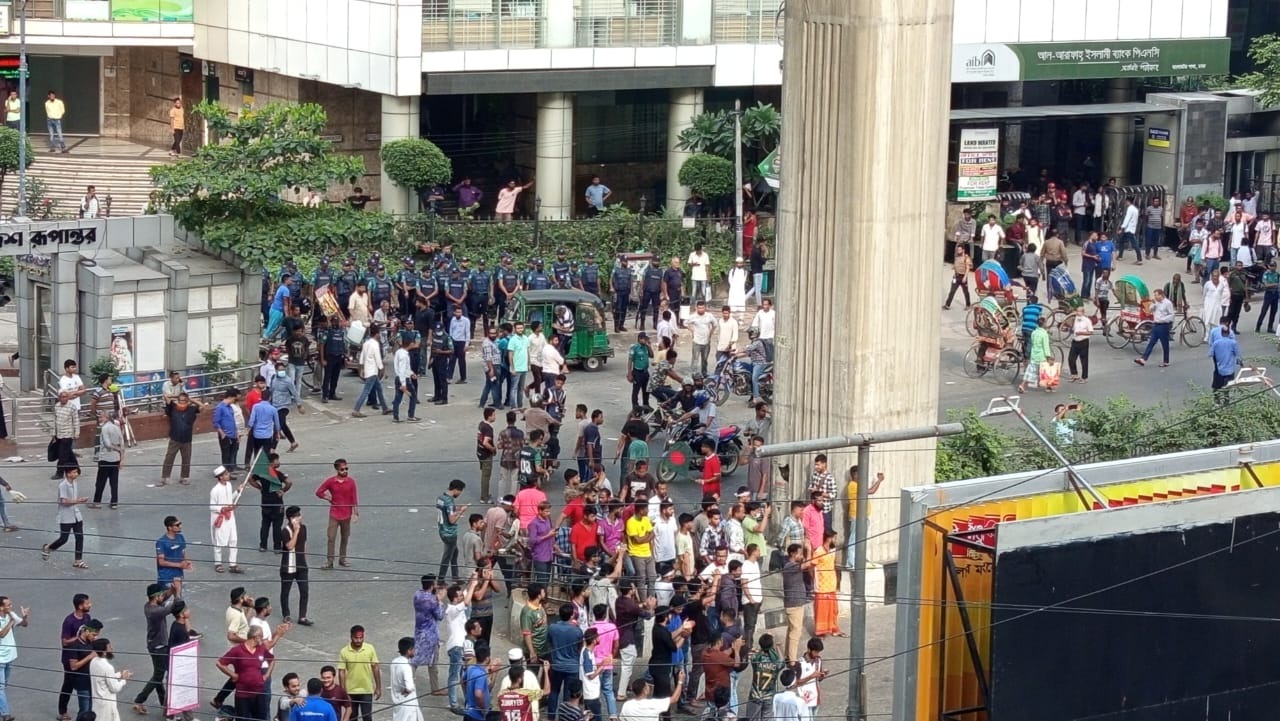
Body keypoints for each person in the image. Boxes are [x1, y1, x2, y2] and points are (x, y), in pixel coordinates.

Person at [216, 626, 273, 721]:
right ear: (256, 637)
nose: (262, 639)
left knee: (261, 718)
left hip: (259, 691)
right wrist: (233, 675)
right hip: (243, 694)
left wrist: (266, 675)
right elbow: (220, 663)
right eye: (261, 636)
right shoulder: (237, 650)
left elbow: (272, 660)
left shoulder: (261, 648)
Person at [316, 459, 359, 569]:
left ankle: (342, 559)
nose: (345, 471)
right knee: (331, 537)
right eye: (342, 469)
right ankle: (330, 561)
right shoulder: (331, 481)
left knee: (345, 537)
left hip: (347, 514)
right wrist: (328, 498)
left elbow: (354, 497)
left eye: (346, 468)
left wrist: (355, 513)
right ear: (337, 469)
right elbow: (319, 492)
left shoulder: (351, 482)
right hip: (334, 513)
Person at [44, 466, 88, 569]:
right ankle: (48, 548)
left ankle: (78, 560)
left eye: (77, 472)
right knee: (64, 538)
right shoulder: (63, 485)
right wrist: (79, 500)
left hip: (76, 514)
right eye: (74, 472)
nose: (76, 474)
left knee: (80, 537)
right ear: (68, 474)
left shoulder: (75, 483)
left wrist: (77, 501)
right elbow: (64, 502)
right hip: (66, 516)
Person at [337, 626, 381, 721]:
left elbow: (375, 667)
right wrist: (343, 691)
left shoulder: (370, 648)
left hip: (366, 689)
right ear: (351, 637)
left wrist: (378, 687)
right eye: (356, 638)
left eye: (361, 638)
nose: (358, 640)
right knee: (353, 717)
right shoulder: (344, 651)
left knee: (367, 717)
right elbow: (341, 672)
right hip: (350, 691)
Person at [160, 392, 202, 486]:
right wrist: (178, 396)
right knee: (169, 457)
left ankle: (184, 477)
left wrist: (190, 399)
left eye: (183, 401)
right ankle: (165, 477)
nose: (181, 402)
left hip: (187, 439)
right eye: (180, 400)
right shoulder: (173, 408)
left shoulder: (191, 409)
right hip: (175, 438)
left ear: (187, 401)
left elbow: (202, 407)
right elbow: (166, 396)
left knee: (186, 459)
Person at [280, 505, 312, 625]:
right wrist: (296, 531)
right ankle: (286, 614)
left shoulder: (304, 528)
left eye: (300, 515)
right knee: (285, 591)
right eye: (297, 516)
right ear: (291, 518)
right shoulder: (285, 531)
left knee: (304, 591)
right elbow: (290, 546)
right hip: (288, 566)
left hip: (301, 566)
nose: (300, 518)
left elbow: (303, 545)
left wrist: (304, 560)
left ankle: (302, 616)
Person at [0, 596, 31, 720]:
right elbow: (1, 634)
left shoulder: (11, 614)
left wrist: (24, 617)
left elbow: (24, 624)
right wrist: (11, 622)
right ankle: (5, 714)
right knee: (0, 687)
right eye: (8, 605)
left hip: (10, 656)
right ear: (1, 607)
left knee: (4, 685)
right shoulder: (9, 618)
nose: (11, 607)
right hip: (0, 659)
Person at [209, 465, 243, 574]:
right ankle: (218, 563)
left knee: (233, 540)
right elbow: (212, 506)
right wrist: (224, 508)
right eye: (226, 474)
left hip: (230, 517)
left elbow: (229, 499)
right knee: (218, 542)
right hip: (220, 518)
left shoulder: (228, 485)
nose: (228, 475)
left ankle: (233, 564)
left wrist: (237, 491)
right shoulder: (215, 490)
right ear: (220, 477)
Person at [89, 638, 132, 721]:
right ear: (104, 652)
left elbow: (104, 678)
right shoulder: (107, 667)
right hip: (107, 704)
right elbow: (115, 688)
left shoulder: (93, 661)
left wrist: (120, 674)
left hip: (97, 702)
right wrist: (124, 680)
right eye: (109, 647)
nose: (111, 648)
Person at [91, 410, 125, 508]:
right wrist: (121, 456)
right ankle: (114, 502)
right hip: (116, 458)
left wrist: (115, 448)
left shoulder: (104, 428)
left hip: (105, 458)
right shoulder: (116, 427)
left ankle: (97, 502)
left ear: (105, 417)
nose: (99, 419)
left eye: (101, 417)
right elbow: (122, 442)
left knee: (100, 481)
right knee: (114, 482)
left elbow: (107, 444)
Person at [351, 326, 387, 418]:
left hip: (368, 369)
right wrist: (382, 369)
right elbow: (378, 358)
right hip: (373, 371)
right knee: (366, 391)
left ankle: (385, 407)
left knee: (379, 389)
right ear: (377, 334)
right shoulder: (375, 344)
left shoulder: (366, 343)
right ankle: (356, 409)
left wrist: (361, 368)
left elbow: (362, 356)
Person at [1135, 288, 1175, 368]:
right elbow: (1150, 310)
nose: (1155, 297)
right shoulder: (1156, 303)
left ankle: (1166, 361)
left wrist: (1163, 320)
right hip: (1156, 324)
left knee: (1165, 344)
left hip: (1163, 325)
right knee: (1151, 342)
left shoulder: (1167, 303)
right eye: (1155, 295)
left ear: (1161, 295)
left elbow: (1172, 315)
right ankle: (1143, 359)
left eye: (1156, 295)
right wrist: (1153, 304)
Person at [388, 638, 422, 721]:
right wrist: (409, 689)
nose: (415, 650)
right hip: (408, 703)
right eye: (414, 648)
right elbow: (409, 687)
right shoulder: (406, 666)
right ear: (409, 650)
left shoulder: (394, 661)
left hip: (397, 700)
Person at [1210, 326, 1241, 404]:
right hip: (1230, 371)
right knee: (1227, 388)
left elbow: (1211, 354)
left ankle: (1217, 401)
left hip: (1219, 369)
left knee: (1216, 386)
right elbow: (1238, 356)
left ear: (1221, 333)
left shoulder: (1216, 343)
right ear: (1228, 333)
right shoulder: (1233, 343)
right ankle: (1226, 402)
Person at [1202, 267, 1229, 342]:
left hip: (1217, 305)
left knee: (1216, 321)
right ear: (1211, 276)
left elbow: (1220, 295)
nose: (1215, 278)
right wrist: (1204, 304)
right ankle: (1206, 337)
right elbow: (1204, 294)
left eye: (1216, 276)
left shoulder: (1221, 285)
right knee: (1207, 321)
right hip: (1208, 304)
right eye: (1213, 276)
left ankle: (1214, 336)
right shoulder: (1208, 284)